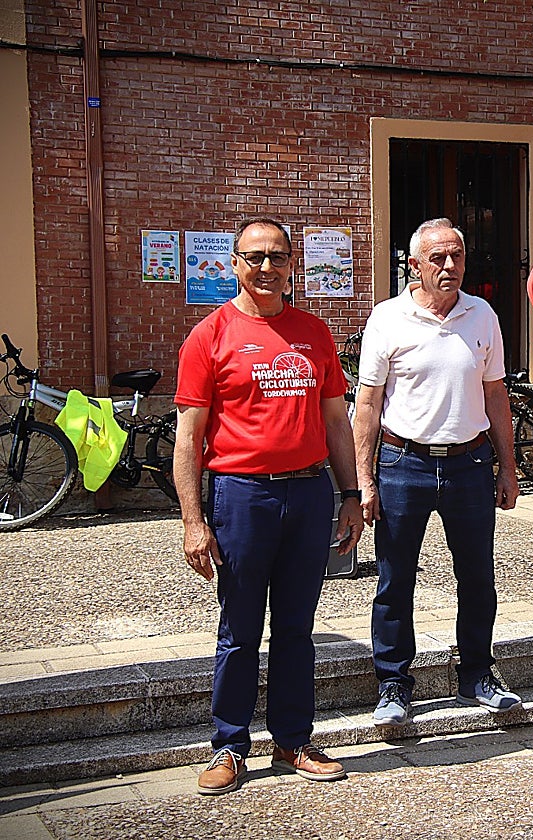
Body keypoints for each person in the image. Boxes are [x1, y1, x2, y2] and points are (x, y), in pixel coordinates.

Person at [175, 217, 363, 796]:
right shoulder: (208, 336)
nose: (265, 267)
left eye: (277, 256)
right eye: (253, 257)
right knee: (239, 628)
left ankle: (292, 740)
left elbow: (337, 422)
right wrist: (192, 520)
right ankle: (230, 745)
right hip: (242, 494)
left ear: (291, 266)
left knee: (297, 627)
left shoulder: (314, 332)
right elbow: (188, 436)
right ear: (234, 263)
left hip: (308, 492)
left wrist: (352, 494)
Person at [353, 218, 522, 728]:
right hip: (404, 463)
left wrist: (508, 467)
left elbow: (496, 394)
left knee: (476, 576)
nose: (450, 267)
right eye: (438, 259)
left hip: (470, 463)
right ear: (414, 265)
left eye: (458, 257)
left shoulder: (482, 314)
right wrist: (364, 480)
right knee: (395, 577)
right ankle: (393, 685)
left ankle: (476, 674)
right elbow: (367, 403)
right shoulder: (387, 319)